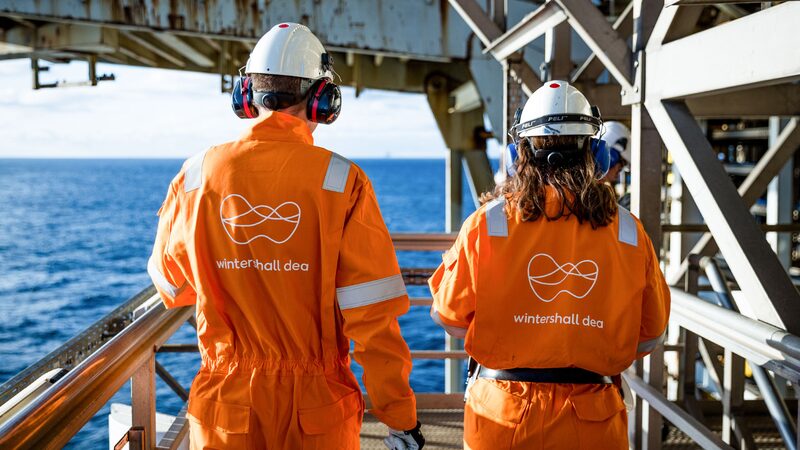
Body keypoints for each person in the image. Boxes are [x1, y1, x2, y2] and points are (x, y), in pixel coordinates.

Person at [148, 23, 424, 450]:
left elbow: (174, 286)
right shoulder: (342, 181)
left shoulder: (195, 175)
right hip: (317, 412)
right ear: (322, 100)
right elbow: (372, 320)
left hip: (226, 410)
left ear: (245, 94)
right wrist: (400, 417)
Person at [428, 81, 670, 449]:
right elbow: (652, 333)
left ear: (518, 154)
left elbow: (448, 317)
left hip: (501, 417)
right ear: (596, 152)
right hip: (594, 420)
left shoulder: (487, 224)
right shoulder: (628, 231)